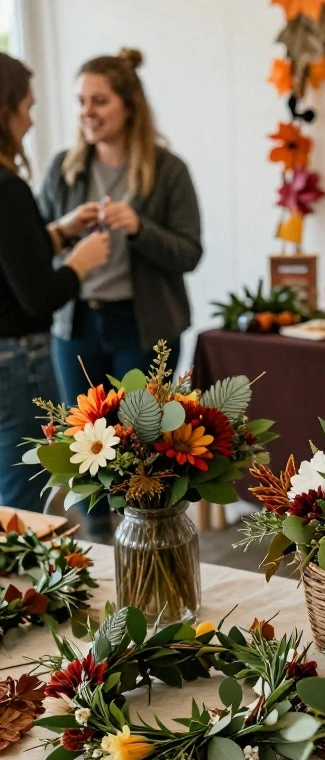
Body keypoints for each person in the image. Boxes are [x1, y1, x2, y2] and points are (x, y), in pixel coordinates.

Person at [39, 48, 202, 535]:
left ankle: (151, 541)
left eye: (100, 101)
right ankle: (95, 543)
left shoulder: (168, 170)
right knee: (85, 447)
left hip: (144, 326)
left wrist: (141, 229)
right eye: (81, 101)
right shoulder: (64, 170)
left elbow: (190, 253)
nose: (87, 112)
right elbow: (35, 252)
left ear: (129, 105)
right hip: (77, 324)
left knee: (143, 446)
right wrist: (66, 231)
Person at [0, 53, 110, 511]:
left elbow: (7, 256)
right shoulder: (9, 188)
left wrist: (56, 232)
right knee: (22, 492)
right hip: (17, 358)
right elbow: (39, 297)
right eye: (27, 106)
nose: (31, 117)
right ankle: (18, 584)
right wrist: (79, 263)